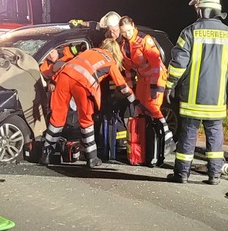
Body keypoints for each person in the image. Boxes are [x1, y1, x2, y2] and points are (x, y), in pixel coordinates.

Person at [166, 0, 228, 184]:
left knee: (188, 134)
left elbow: (178, 63)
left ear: (202, 10)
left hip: (193, 98)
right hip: (216, 98)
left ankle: (181, 174)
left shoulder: (189, 32)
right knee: (215, 135)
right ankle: (215, 175)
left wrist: (170, 84)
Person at [40, 38, 136, 168]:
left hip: (64, 76)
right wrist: (134, 101)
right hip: (83, 83)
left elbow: (71, 63)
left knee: (57, 117)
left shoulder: (90, 50)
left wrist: (54, 80)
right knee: (86, 120)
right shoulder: (109, 60)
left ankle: (46, 154)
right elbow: (122, 85)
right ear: (116, 53)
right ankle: (92, 157)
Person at [119, 16, 174, 163]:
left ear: (133, 26)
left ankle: (168, 138)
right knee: (140, 109)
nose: (127, 34)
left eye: (129, 30)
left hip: (156, 77)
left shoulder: (144, 40)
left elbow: (156, 63)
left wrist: (155, 85)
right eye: (123, 32)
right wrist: (130, 88)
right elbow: (128, 69)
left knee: (152, 107)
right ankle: (145, 143)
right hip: (143, 79)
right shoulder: (124, 46)